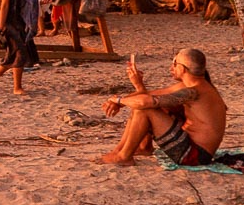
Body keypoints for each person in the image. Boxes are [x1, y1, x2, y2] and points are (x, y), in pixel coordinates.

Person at [95, 49, 227, 166]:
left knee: (145, 110)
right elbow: (148, 95)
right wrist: (136, 88)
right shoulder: (192, 85)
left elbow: (145, 103)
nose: (171, 67)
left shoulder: (193, 91)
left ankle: (123, 156)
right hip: (192, 146)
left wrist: (118, 100)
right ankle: (139, 148)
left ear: (182, 69)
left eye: (174, 64)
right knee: (150, 106)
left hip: (195, 155)